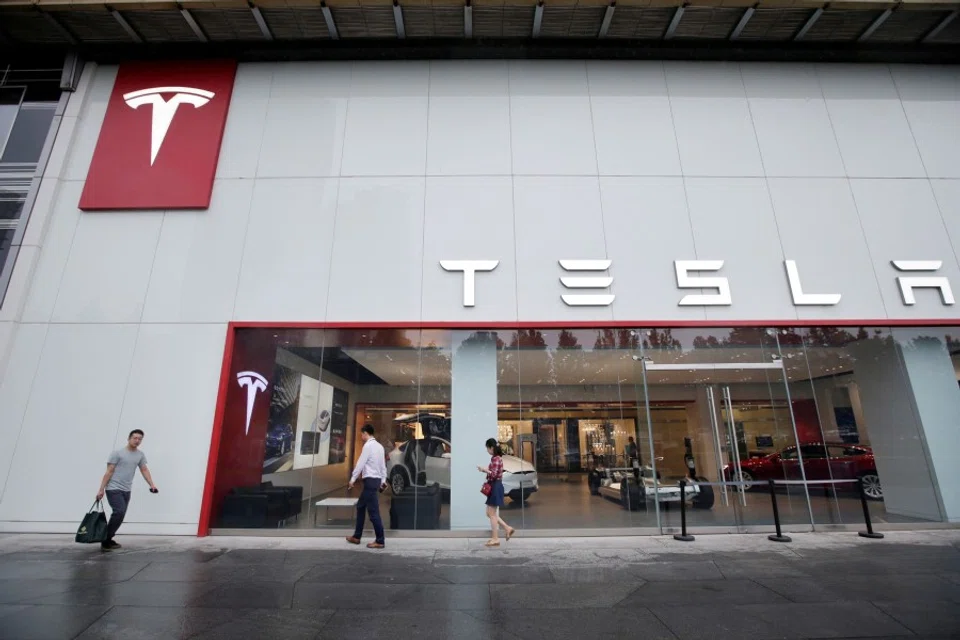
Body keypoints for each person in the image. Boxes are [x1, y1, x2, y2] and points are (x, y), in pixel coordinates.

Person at [96, 429, 157, 551]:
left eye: (140, 439)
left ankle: (108, 538)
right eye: (135, 438)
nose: (137, 441)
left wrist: (152, 484)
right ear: (128, 438)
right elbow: (109, 472)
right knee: (119, 511)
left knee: (121, 514)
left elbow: (144, 469)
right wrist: (101, 489)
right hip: (113, 488)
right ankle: (106, 539)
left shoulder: (140, 455)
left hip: (126, 489)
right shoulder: (117, 453)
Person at [346, 424, 387, 549]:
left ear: (365, 433)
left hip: (370, 481)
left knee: (373, 512)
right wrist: (383, 480)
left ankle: (380, 540)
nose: (361, 436)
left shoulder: (368, 446)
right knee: (360, 506)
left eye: (361, 434)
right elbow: (383, 465)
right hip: (376, 480)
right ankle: (356, 536)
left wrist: (353, 478)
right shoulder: (380, 447)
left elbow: (360, 463)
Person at [477, 438, 515, 547]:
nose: (487, 450)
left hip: (495, 486)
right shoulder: (496, 458)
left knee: (492, 514)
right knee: (489, 513)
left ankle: (495, 538)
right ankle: (507, 528)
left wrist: (484, 469)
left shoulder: (496, 459)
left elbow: (493, 475)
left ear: (492, 448)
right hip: (495, 486)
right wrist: (485, 470)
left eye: (487, 448)